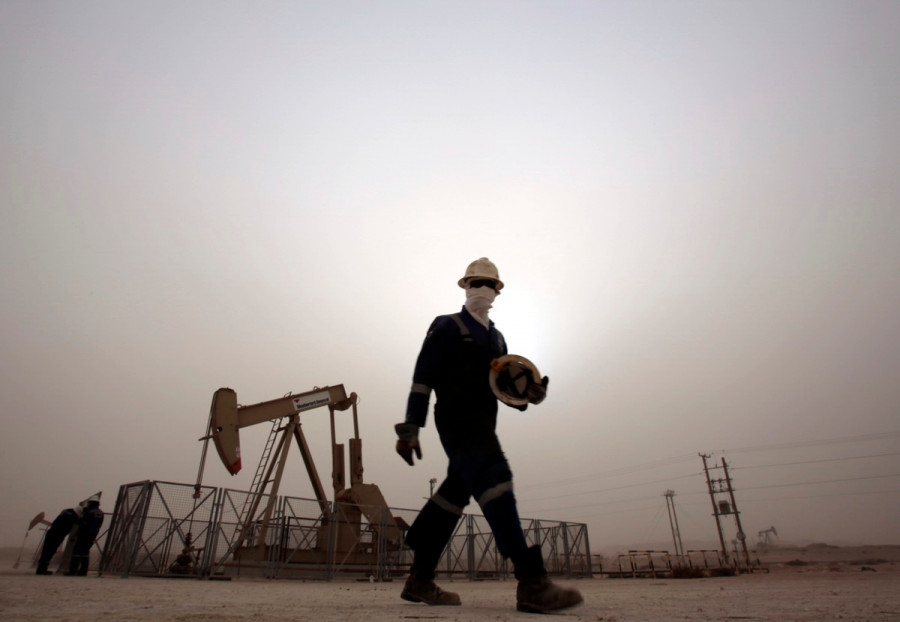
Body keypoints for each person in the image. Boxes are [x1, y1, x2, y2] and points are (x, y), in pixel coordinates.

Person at [394, 257, 583, 613]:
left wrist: (530, 394)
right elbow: (423, 376)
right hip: (455, 419)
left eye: (488, 284)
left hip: (484, 422)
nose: (482, 289)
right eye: (475, 283)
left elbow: (505, 389)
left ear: (498, 291)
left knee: (454, 494)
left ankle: (419, 578)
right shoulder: (447, 325)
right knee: (495, 477)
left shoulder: (497, 339)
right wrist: (410, 427)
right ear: (464, 287)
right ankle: (531, 580)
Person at [35, 505, 81, 575]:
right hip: (58, 535)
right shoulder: (73, 516)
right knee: (50, 552)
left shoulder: (66, 511)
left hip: (51, 532)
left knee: (46, 551)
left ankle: (40, 569)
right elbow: (77, 524)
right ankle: (42, 570)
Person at [67, 498, 104, 576]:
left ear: (90, 503)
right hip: (93, 534)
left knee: (76, 552)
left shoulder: (88, 512)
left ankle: (73, 570)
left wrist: (75, 535)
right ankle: (83, 571)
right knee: (85, 552)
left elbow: (82, 524)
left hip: (84, 534)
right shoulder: (100, 513)